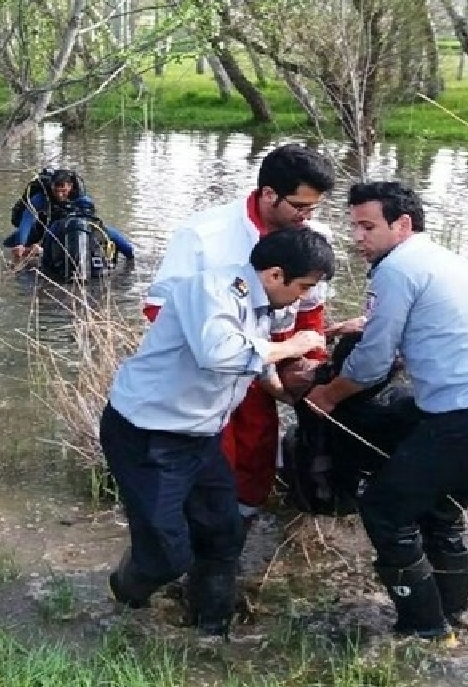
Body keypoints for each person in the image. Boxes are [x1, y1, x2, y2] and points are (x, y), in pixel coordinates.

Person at [306, 181, 468, 643]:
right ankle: (454, 618)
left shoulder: (396, 269)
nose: (357, 238)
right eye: (354, 226)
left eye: (368, 227)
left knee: (386, 510)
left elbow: (372, 362)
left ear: (403, 225)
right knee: (439, 513)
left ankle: (424, 631)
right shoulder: (446, 260)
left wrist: (328, 395)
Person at [103, 227, 335, 637]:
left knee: (223, 532)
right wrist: (293, 346)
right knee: (166, 557)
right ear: (275, 274)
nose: (302, 298)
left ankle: (212, 630)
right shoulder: (212, 288)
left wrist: (287, 393)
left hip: (201, 435)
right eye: (303, 287)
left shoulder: (264, 303)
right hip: (149, 435)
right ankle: (125, 596)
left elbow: (255, 356)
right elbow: (220, 353)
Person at [143, 143, 337, 525]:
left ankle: (235, 536)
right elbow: (158, 309)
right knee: (209, 462)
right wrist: (229, 350)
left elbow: (311, 312)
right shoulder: (204, 235)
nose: (307, 217)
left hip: (266, 367)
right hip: (203, 372)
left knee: (255, 456)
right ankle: (198, 546)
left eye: (314, 208)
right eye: (299, 206)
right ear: (268, 194)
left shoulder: (313, 236)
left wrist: (305, 367)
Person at [3, 168, 136, 266]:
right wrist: (20, 243)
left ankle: (131, 258)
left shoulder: (81, 198)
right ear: (51, 186)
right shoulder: (42, 197)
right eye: (56, 191)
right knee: (8, 244)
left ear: (70, 187)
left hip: (69, 227)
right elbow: (27, 218)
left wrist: (41, 249)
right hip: (46, 226)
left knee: (119, 241)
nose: (60, 195)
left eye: (64, 191)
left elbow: (92, 222)